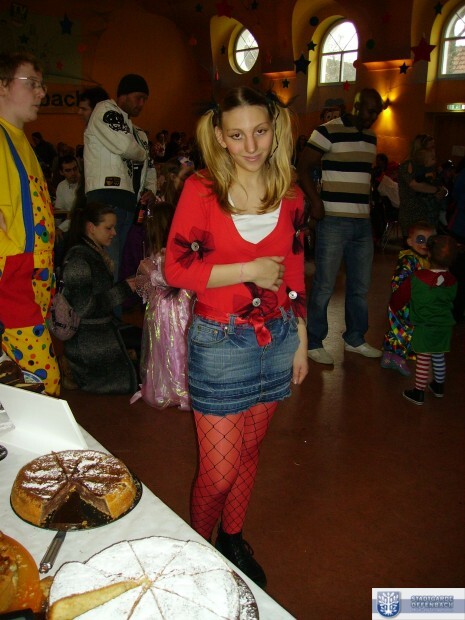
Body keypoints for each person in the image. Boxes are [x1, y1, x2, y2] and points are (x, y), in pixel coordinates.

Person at [164, 86, 308, 588]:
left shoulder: (290, 192)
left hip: (278, 337)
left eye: (260, 132)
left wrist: (302, 336)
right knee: (219, 471)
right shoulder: (202, 189)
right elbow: (176, 269)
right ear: (220, 137)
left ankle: (232, 539)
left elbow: (294, 270)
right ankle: (197, 550)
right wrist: (248, 269)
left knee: (249, 453)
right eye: (237, 135)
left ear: (275, 129)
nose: (251, 146)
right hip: (220, 342)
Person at [298, 88, 384, 364]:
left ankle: (355, 338)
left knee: (360, 286)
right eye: (370, 110)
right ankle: (313, 341)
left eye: (377, 112)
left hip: (362, 223)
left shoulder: (371, 137)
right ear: (356, 106)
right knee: (324, 284)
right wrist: (316, 201)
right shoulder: (327, 131)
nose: (373, 116)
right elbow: (303, 167)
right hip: (334, 220)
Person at [0, 51, 60, 395]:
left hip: (33, 275)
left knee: (17, 384)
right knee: (44, 383)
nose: (42, 92)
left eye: (42, 84)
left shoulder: (21, 140)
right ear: (3, 85)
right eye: (32, 83)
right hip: (12, 275)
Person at [61, 201, 140, 394]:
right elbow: (84, 309)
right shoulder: (79, 260)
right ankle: (75, 369)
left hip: (99, 330)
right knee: (141, 373)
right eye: (108, 228)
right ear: (91, 228)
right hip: (88, 339)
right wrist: (124, 289)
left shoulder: (92, 253)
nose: (114, 233)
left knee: (144, 345)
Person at [84, 74, 157, 278]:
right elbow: (126, 148)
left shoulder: (139, 134)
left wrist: (151, 189)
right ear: (123, 96)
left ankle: (115, 300)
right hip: (105, 198)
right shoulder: (105, 110)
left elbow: (149, 167)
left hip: (129, 203)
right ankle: (105, 300)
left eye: (145, 100)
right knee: (107, 263)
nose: (141, 104)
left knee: (120, 265)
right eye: (138, 97)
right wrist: (143, 153)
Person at [131, 201, 193, 410]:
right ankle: (167, 386)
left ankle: (179, 388)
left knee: (175, 344)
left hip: (174, 306)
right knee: (163, 344)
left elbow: (173, 279)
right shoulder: (162, 252)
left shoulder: (172, 252)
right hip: (166, 305)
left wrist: (150, 273)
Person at [391, 235, 458, 405]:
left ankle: (419, 392)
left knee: (423, 358)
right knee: (439, 355)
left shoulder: (418, 277)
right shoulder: (453, 280)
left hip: (424, 326)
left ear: (428, 254)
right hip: (445, 326)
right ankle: (439, 386)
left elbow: (399, 298)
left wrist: (395, 307)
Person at [380, 221, 435, 375]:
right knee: (404, 331)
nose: (424, 244)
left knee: (397, 330)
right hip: (405, 303)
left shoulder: (426, 259)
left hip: (415, 303)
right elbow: (398, 282)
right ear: (410, 242)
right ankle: (399, 357)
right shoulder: (408, 259)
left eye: (429, 241)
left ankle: (388, 356)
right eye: (420, 239)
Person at [398, 134, 448, 239]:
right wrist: (436, 190)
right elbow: (414, 184)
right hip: (412, 213)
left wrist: (443, 191)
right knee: (413, 245)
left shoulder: (429, 166)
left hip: (428, 214)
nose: (433, 150)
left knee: (428, 245)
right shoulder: (408, 165)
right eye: (430, 147)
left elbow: (439, 185)